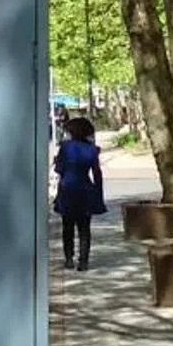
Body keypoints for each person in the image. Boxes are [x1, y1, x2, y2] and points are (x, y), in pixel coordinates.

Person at [53, 113, 106, 272]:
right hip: (85, 188)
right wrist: (98, 193)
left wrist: (58, 163)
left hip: (67, 189)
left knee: (67, 226)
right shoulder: (92, 150)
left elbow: (59, 169)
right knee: (84, 228)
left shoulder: (65, 147)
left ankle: (69, 258)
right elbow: (97, 173)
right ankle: (84, 261)